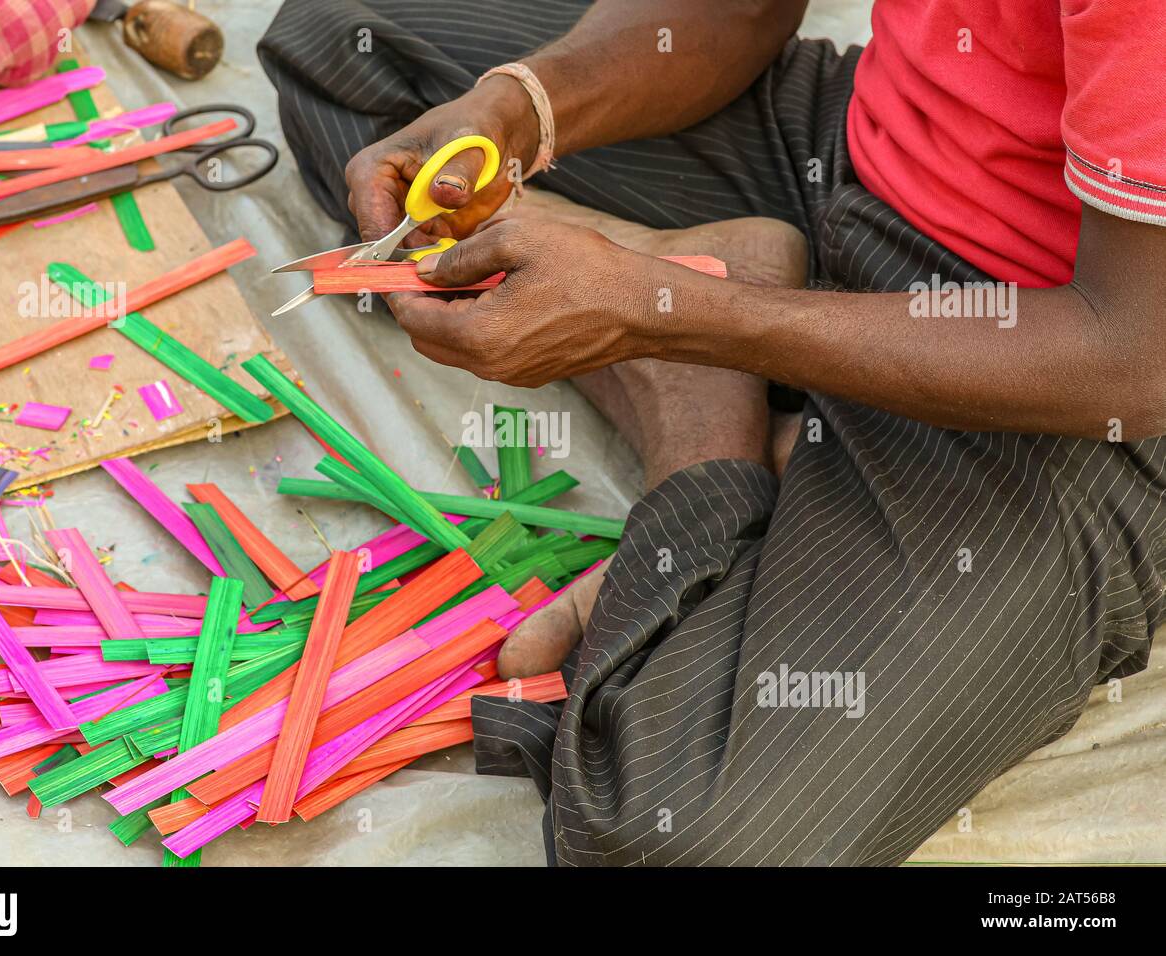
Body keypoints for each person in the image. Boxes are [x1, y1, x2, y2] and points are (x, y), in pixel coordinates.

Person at [258, 0, 1166, 865]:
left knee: (675, 843)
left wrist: (676, 319)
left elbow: (1136, 356)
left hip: (1063, 366)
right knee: (347, 44)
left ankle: (700, 411)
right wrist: (518, 111)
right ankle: (769, 399)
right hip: (858, 152)